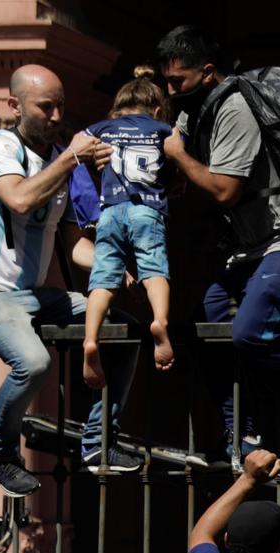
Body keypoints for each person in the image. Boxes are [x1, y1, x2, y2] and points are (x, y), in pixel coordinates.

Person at [156, 25, 280, 477]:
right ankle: (242, 435)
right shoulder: (194, 112)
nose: (170, 90)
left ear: (206, 73)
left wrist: (181, 160)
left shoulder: (233, 107)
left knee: (250, 332)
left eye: (177, 81)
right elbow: (179, 169)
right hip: (256, 248)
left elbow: (223, 190)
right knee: (208, 317)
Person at [0, 63, 141, 497]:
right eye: (45, 107)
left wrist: (116, 266)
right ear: (14, 106)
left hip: (33, 296)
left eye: (61, 107)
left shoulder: (61, 162)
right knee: (33, 362)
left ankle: (98, 443)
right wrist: (72, 157)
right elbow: (19, 199)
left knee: (124, 331)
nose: (56, 117)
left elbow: (74, 244)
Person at [78, 66, 176, 381]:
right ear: (157, 109)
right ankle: (159, 320)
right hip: (146, 210)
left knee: (102, 280)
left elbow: (77, 143)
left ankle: (90, 339)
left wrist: (96, 149)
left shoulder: (104, 127)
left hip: (110, 212)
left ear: (117, 109)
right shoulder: (161, 128)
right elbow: (179, 150)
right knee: (154, 270)